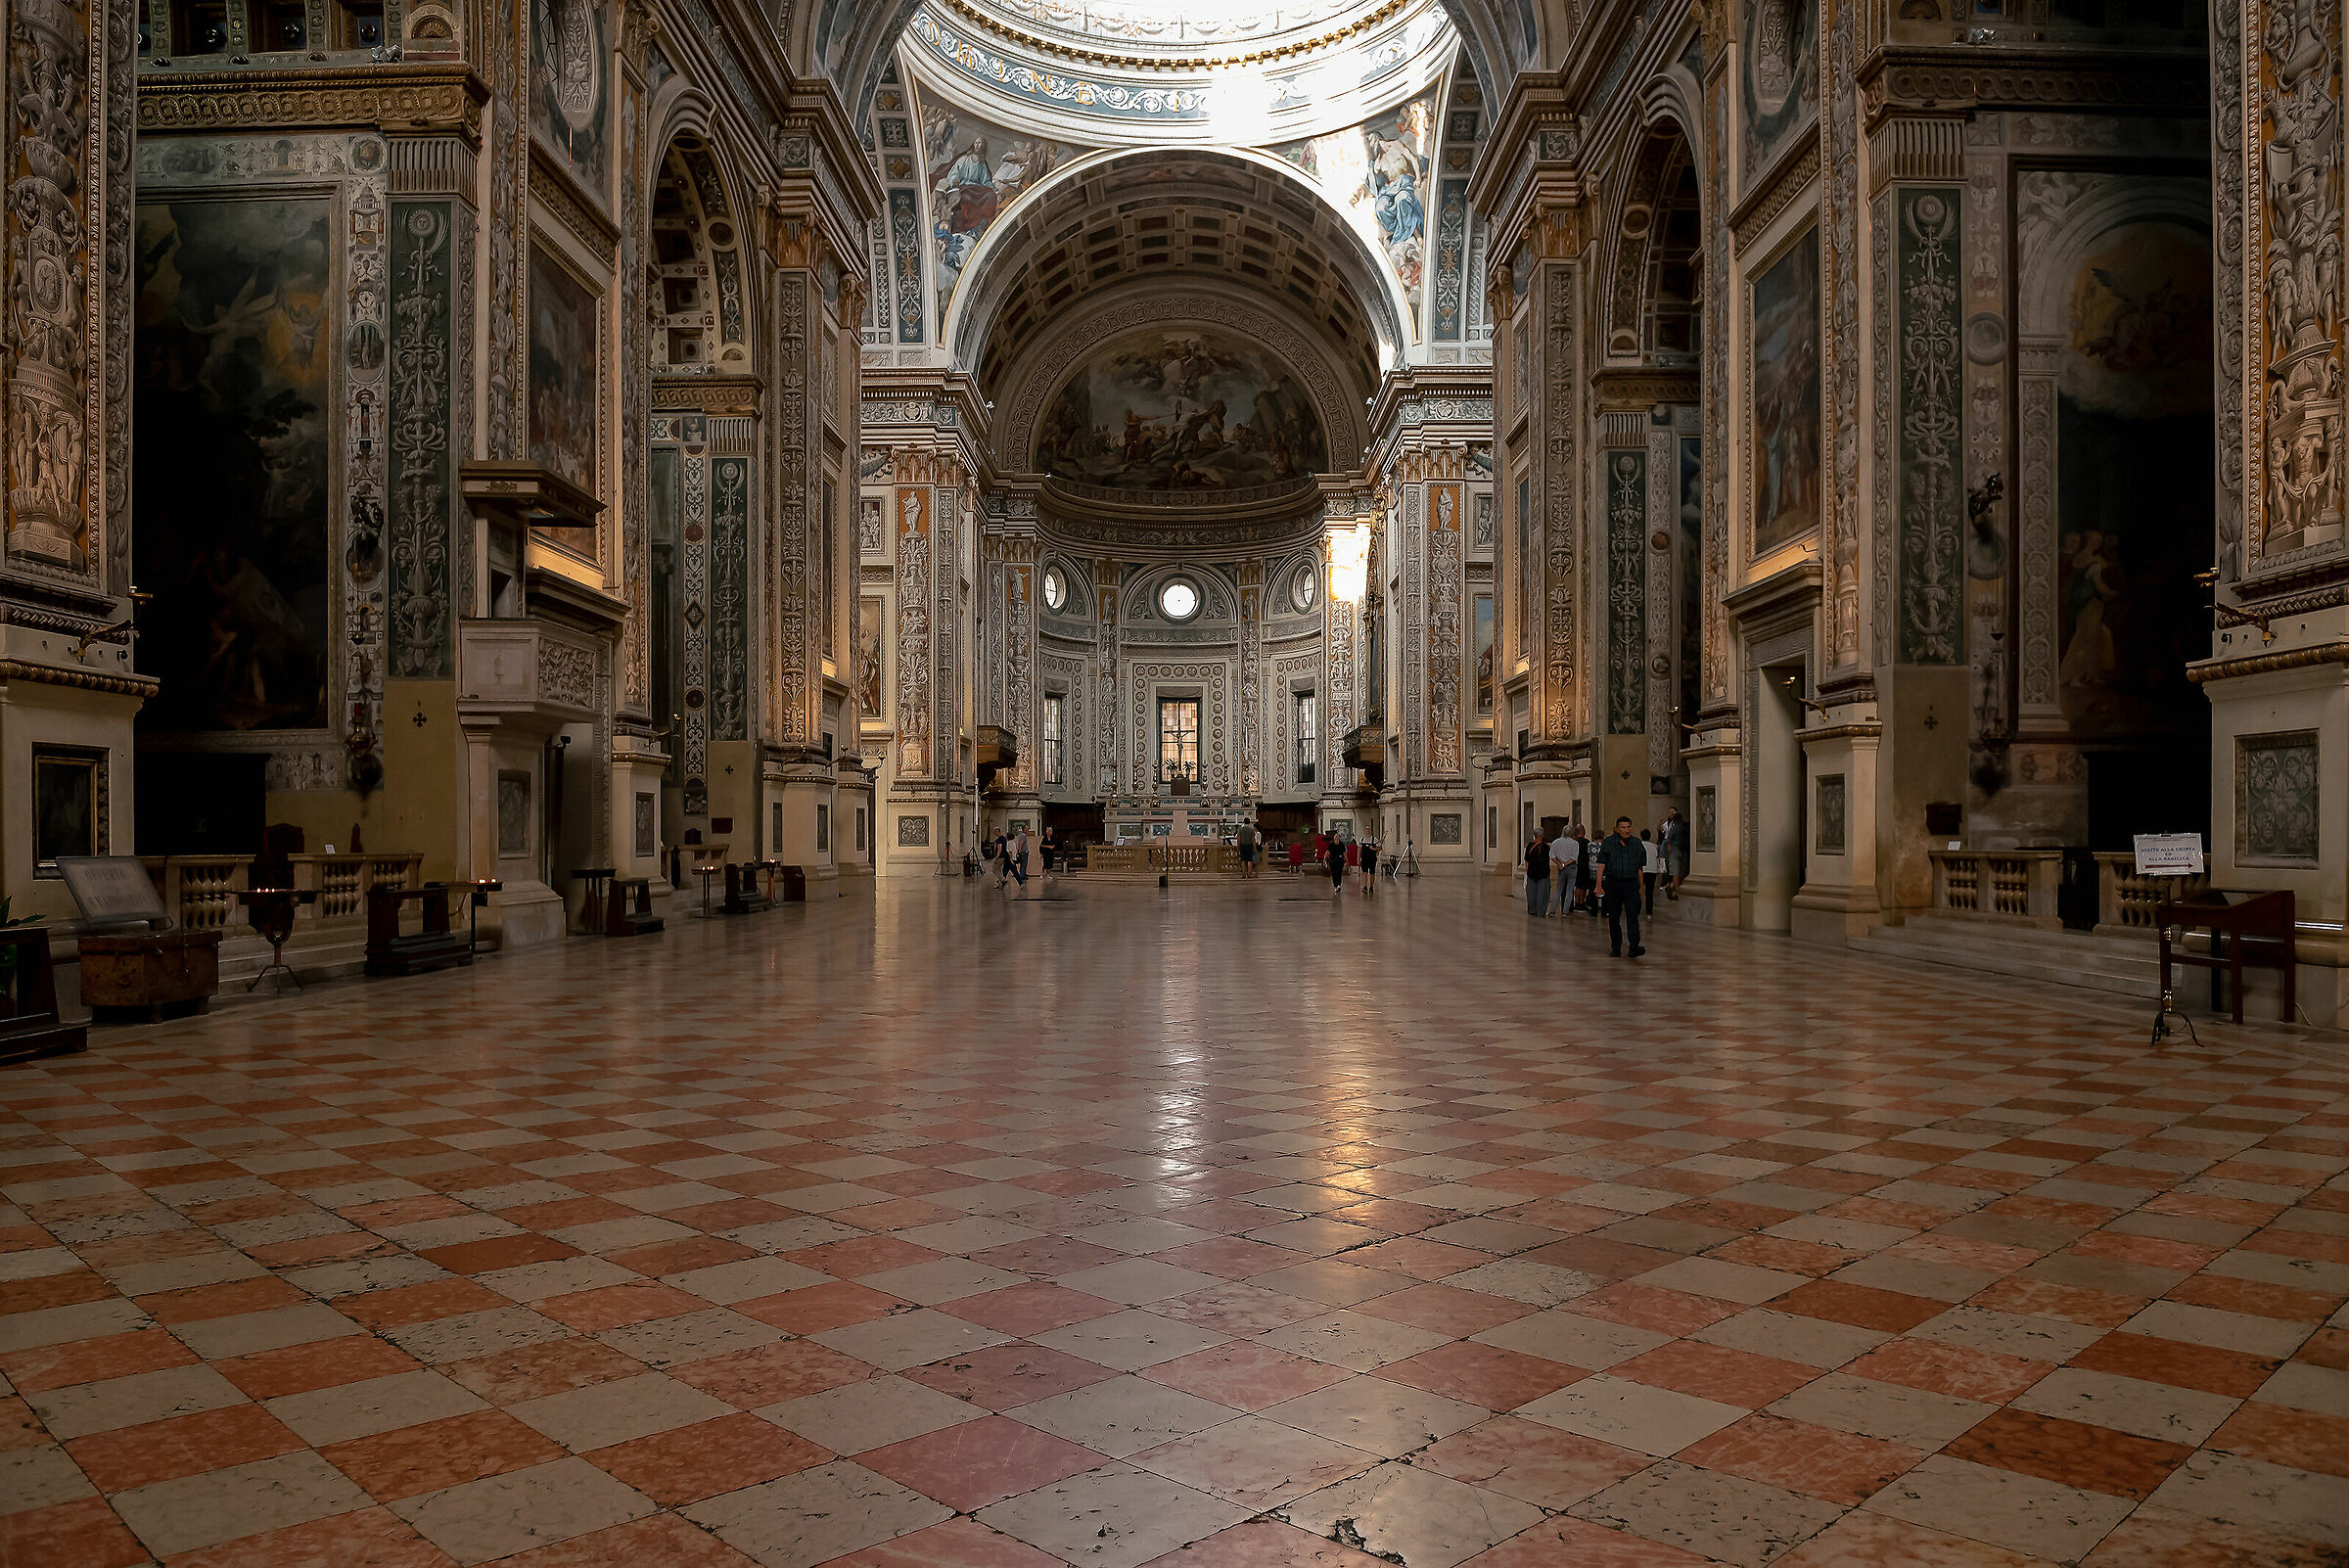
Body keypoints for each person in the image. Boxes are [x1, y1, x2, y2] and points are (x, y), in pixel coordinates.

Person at [1596, 815, 1647, 957]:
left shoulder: (1637, 844)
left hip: (1631, 883)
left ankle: (1634, 946)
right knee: (1614, 916)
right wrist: (1598, 885)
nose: (1626, 830)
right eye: (1623, 827)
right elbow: (1601, 864)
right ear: (1617, 829)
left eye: (1628, 827)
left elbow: (1640, 868)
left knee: (1632, 915)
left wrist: (1641, 888)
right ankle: (1616, 946)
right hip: (1613, 883)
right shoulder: (1608, 843)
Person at [1547, 823, 1579, 916]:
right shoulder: (1575, 843)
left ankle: (1553, 910)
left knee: (1558, 889)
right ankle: (1565, 911)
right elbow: (1574, 857)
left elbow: (1552, 856)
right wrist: (1565, 864)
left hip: (1561, 868)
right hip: (1571, 867)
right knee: (1569, 890)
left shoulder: (1556, 842)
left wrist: (1560, 863)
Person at [1661, 808, 1688, 899]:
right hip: (1684, 851)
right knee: (1682, 871)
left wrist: (1669, 853)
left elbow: (1668, 842)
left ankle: (1675, 889)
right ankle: (1672, 886)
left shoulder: (1673, 829)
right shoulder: (1685, 828)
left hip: (1674, 851)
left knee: (1675, 872)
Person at [1523, 832, 1549, 917]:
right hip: (1543, 873)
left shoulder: (1529, 845)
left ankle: (1532, 909)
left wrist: (1527, 871)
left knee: (1531, 893)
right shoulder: (1545, 847)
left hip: (1531, 872)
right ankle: (1541, 911)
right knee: (1542, 893)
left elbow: (1526, 860)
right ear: (1542, 835)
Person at [1641, 829, 1662, 916]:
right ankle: (1649, 911)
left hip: (1642, 870)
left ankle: (1637, 908)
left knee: (1640, 889)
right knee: (1649, 892)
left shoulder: (1639, 845)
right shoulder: (1654, 846)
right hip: (1652, 870)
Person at [1010, 826, 1030, 892]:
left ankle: (1022, 875)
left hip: (1022, 851)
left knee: (1022, 864)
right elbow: (1022, 843)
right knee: (1024, 863)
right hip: (1024, 851)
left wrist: (1018, 850)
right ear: (1024, 829)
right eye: (1027, 829)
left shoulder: (1021, 835)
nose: (1028, 830)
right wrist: (1020, 850)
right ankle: (1022, 876)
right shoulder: (1023, 835)